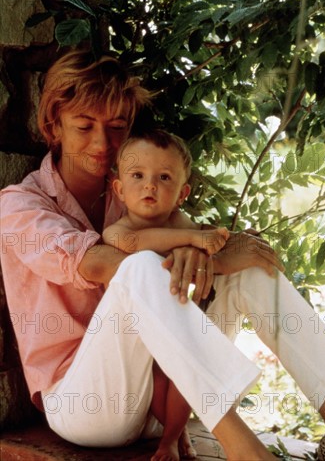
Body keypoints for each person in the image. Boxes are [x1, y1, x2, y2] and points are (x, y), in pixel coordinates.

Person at [0, 49, 325, 461]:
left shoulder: (139, 197)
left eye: (117, 127)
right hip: (86, 407)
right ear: (54, 126)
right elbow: (97, 264)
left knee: (250, 268)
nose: (103, 143)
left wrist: (207, 253)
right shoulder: (19, 206)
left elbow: (199, 251)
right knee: (139, 265)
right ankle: (244, 448)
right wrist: (195, 250)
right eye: (84, 126)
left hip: (167, 401)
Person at [102, 129, 230, 460]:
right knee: (157, 384)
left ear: (182, 192)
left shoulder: (180, 222)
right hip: (128, 341)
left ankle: (170, 438)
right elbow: (134, 246)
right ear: (118, 189)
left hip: (173, 325)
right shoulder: (118, 230)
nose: (150, 185)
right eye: (138, 175)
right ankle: (176, 433)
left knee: (179, 375)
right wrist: (194, 240)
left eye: (163, 177)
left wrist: (198, 242)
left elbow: (211, 247)